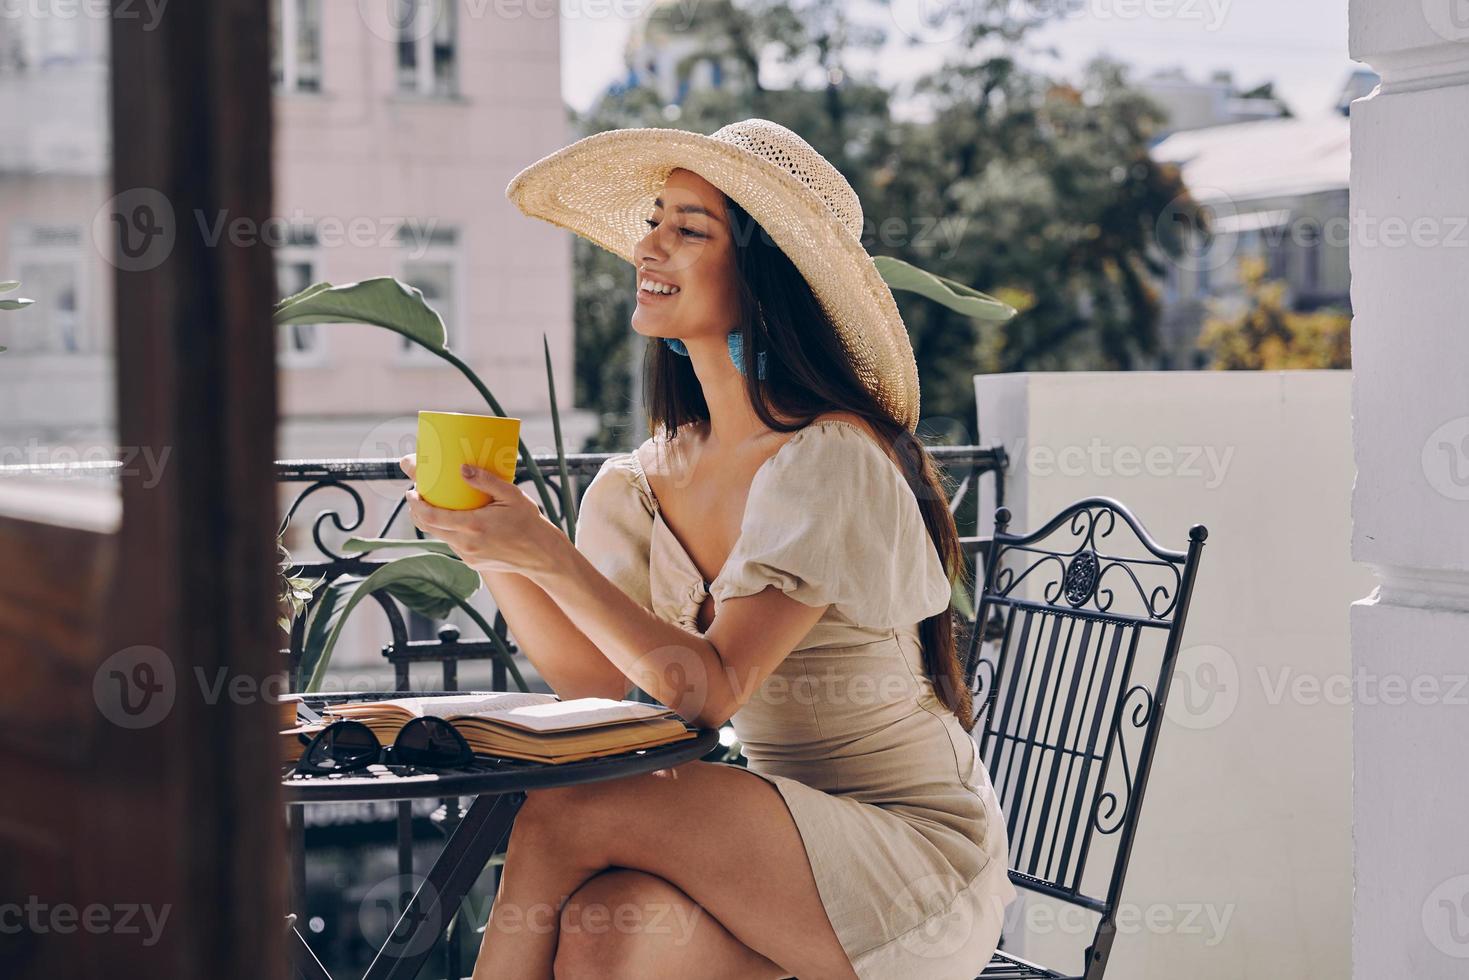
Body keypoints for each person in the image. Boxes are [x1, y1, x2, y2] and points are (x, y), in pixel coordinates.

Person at [402, 118, 1016, 980]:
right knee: (604, 933)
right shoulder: (643, 483)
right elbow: (599, 682)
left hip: (906, 858)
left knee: (563, 814)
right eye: (654, 219)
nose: (648, 244)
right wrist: (492, 545)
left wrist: (547, 549)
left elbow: (707, 691)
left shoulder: (829, 458)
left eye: (688, 229)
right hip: (771, 844)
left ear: (765, 278)